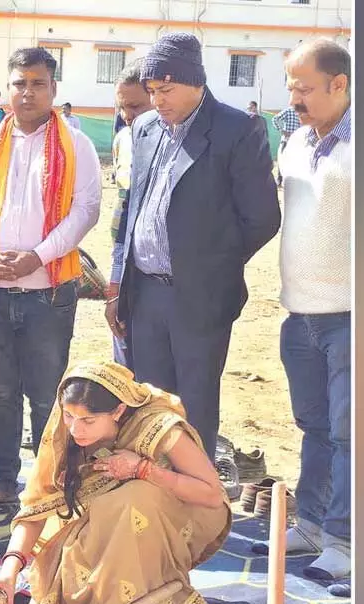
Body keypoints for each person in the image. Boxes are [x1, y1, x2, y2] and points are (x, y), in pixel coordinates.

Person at [107, 32, 280, 469]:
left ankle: (195, 507)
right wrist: (120, 287)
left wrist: (208, 265)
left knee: (195, 409)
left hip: (199, 297)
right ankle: (153, 504)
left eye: (165, 90)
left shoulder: (236, 130)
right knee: (149, 404)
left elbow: (261, 218)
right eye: (150, 91)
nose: (156, 100)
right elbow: (134, 209)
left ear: (195, 83)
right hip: (145, 294)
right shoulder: (144, 128)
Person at [0, 362, 231, 604]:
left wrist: (144, 470)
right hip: (106, 524)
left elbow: (212, 495)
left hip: (178, 514)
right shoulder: (64, 437)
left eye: (88, 421)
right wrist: (9, 570)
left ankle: (142, 593)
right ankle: (114, 598)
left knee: (133, 498)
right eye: (69, 416)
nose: (75, 430)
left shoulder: (157, 427)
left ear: (118, 411)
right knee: (68, 591)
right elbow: (36, 507)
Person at [0, 47, 102, 511]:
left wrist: (37, 256)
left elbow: (86, 210)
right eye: (20, 83)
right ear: (7, 89)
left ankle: (47, 487)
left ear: (53, 89)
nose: (28, 92)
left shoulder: (76, 145)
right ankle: (1, 481)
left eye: (38, 83)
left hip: (49, 293)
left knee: (46, 395)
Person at [251, 39, 352, 584]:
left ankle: (346, 539)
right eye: (290, 86)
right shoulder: (293, 142)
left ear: (340, 84)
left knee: (350, 434)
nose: (295, 97)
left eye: (305, 87)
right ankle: (311, 521)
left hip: (351, 316)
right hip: (300, 313)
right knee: (313, 425)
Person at [108, 60, 152, 369]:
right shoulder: (124, 138)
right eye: (123, 107)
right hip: (124, 247)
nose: (128, 115)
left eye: (135, 106)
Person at [272, 106, 301, 187]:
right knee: (282, 161)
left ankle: (293, 182)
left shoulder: (303, 112)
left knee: (296, 162)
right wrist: (282, 130)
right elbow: (275, 119)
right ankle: (279, 180)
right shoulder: (288, 111)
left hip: (298, 142)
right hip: (286, 141)